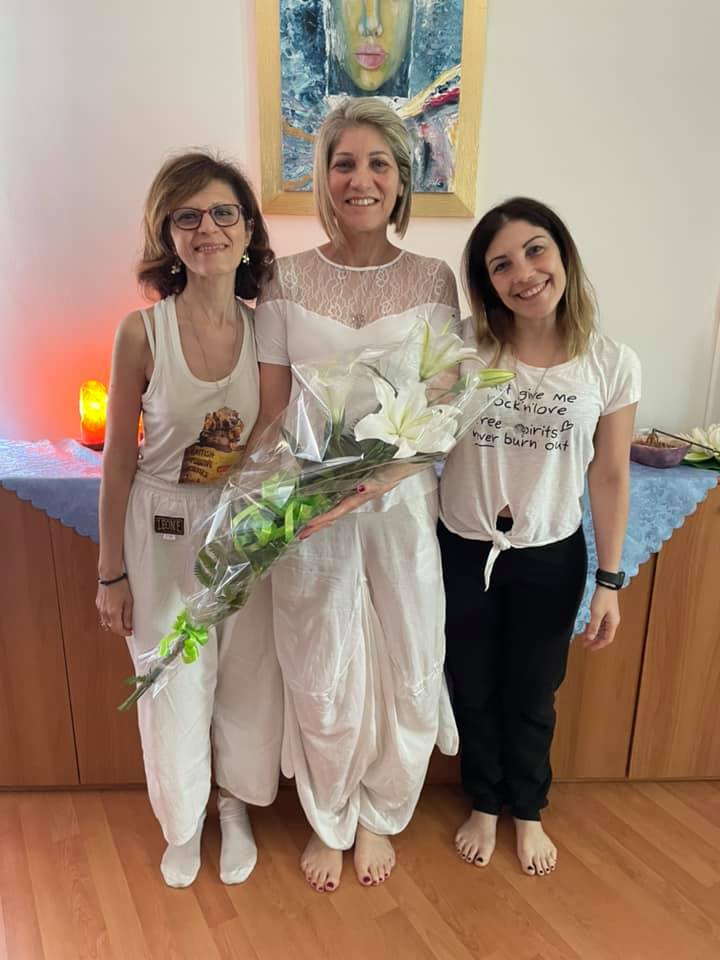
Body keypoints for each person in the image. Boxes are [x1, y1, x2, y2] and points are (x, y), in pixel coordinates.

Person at [252, 97, 459, 893]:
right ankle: (329, 812)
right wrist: (257, 509)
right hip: (313, 508)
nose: (360, 179)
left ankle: (380, 813)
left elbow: (444, 408)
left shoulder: (435, 278)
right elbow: (273, 416)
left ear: (402, 179)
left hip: (402, 506)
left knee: (410, 657)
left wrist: (384, 476)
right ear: (324, 176)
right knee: (321, 663)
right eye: (344, 163)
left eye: (378, 164)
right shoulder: (284, 278)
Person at [439, 197, 641, 877]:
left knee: (533, 692)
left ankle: (527, 808)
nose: (523, 274)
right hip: (464, 546)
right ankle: (483, 801)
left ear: (562, 254)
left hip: (552, 555)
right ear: (487, 282)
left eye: (534, 251)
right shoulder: (466, 348)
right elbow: (419, 432)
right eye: (501, 265)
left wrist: (609, 581)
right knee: (472, 684)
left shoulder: (611, 362)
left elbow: (610, 475)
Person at [96, 152, 283, 888]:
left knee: (246, 675)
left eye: (224, 213)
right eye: (188, 216)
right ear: (168, 234)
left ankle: (233, 806)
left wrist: (259, 523)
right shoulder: (140, 333)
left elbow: (272, 438)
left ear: (247, 229)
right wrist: (110, 573)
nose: (209, 228)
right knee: (172, 679)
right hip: (160, 528)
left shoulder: (269, 331)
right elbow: (118, 458)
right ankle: (182, 822)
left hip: (243, 524)